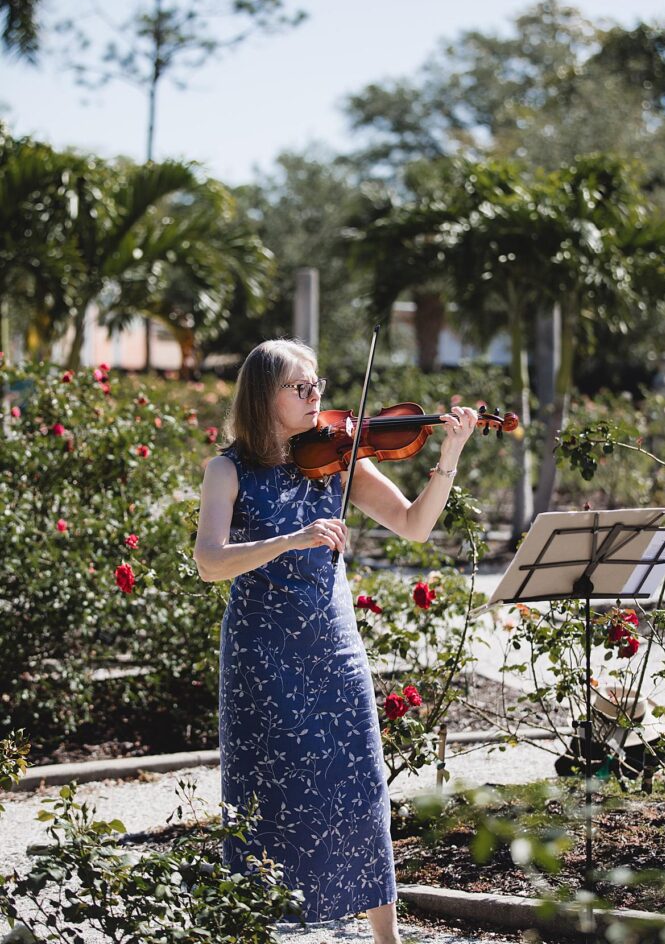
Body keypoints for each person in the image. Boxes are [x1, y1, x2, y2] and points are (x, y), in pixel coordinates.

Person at [193, 339, 480, 941]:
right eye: (301, 387)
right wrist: (290, 540)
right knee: (263, 794)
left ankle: (387, 938)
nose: (316, 395)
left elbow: (414, 525)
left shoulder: (341, 459)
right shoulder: (228, 470)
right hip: (261, 655)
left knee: (360, 789)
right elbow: (210, 562)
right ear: (264, 396)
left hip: (333, 647)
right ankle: (255, 925)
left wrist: (449, 451)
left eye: (317, 384)